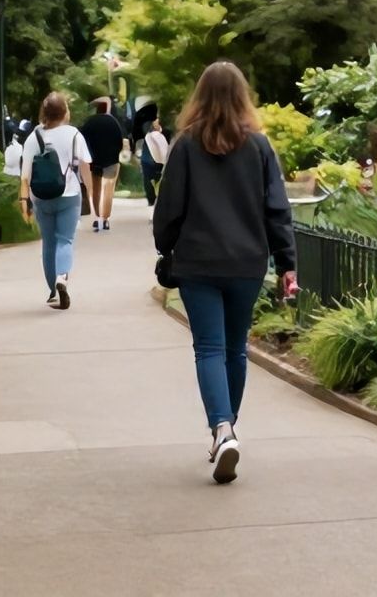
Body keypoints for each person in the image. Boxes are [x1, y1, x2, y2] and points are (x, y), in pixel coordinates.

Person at [152, 62, 295, 484]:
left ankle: (222, 429)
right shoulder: (260, 147)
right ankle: (227, 428)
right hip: (246, 263)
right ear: (241, 96)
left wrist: (166, 247)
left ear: (200, 96)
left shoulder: (185, 146)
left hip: (198, 262)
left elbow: (168, 209)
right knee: (235, 349)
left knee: (208, 349)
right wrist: (287, 263)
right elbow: (277, 210)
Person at [19, 93, 91, 310]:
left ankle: (53, 291)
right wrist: (90, 193)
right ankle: (62, 277)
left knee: (49, 243)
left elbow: (25, 176)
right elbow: (86, 166)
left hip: (41, 197)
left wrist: (24, 201)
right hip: (68, 195)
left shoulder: (33, 137)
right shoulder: (74, 134)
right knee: (65, 240)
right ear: (65, 112)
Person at [79, 96, 127, 232]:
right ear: (107, 109)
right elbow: (120, 140)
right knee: (108, 190)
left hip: (95, 161)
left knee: (96, 189)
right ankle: (105, 219)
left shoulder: (90, 122)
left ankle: (97, 217)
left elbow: (82, 140)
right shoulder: (113, 122)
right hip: (111, 160)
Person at [141, 118, 170, 207]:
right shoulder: (147, 130)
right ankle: (151, 199)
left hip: (159, 161)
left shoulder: (166, 132)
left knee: (162, 180)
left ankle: (160, 198)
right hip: (148, 160)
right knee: (148, 180)